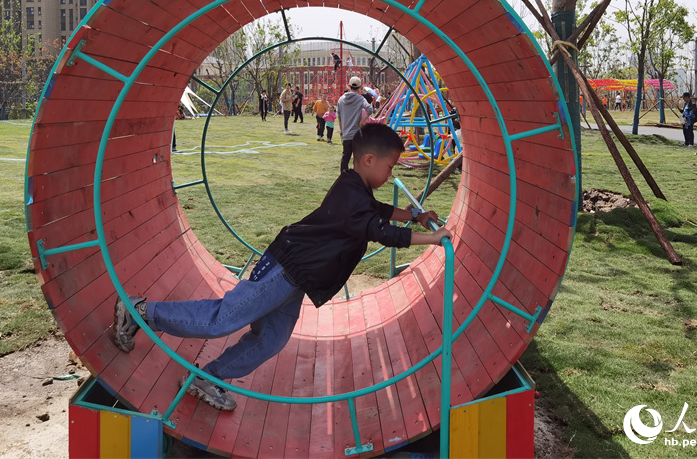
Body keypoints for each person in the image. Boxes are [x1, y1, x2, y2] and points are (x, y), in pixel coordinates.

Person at [112, 123, 450, 411]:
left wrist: (415, 216)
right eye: (391, 167)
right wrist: (431, 239)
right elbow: (380, 231)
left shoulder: (355, 186)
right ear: (369, 159)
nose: (392, 173)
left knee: (270, 340)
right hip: (283, 269)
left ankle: (207, 377)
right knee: (224, 319)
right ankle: (141, 312)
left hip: (297, 278)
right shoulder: (352, 196)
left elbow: (379, 211)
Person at [337, 76, 372, 171]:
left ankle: (343, 177)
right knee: (357, 159)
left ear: (349, 86)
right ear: (360, 87)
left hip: (346, 134)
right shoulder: (360, 99)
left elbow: (339, 117)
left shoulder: (340, 100)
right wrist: (362, 121)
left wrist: (342, 130)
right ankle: (357, 179)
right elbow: (370, 109)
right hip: (356, 134)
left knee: (345, 158)